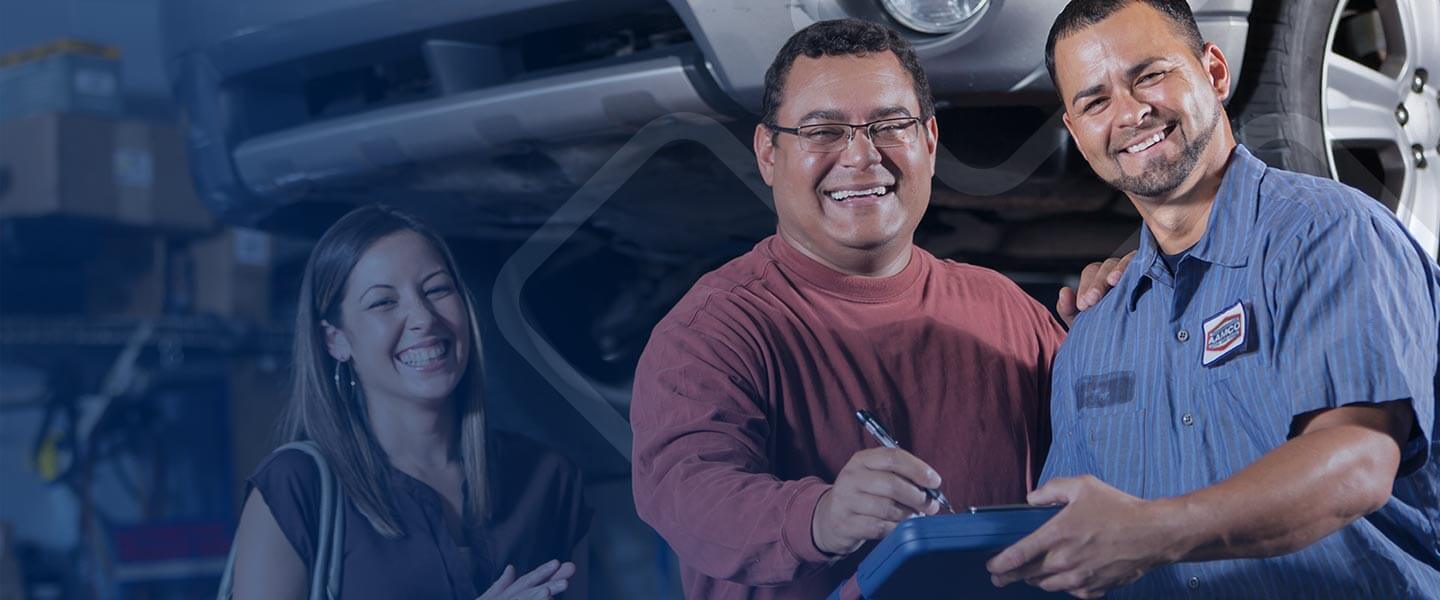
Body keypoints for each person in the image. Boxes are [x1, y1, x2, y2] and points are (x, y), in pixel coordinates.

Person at [987, 1, 1440, 597]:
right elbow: (1075, 542)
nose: (1128, 113)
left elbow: (1358, 461)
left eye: (1149, 75)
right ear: (1075, 132)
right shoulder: (1093, 336)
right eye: (1095, 101)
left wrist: (1154, 531)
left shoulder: (1328, 235)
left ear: (1216, 74)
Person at [629, 19, 1074, 599]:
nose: (862, 157)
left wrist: (1128, 314)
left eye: (890, 126)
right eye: (824, 131)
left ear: (930, 142)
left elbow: (1110, 457)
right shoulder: (712, 333)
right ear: (769, 153)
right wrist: (820, 516)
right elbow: (686, 491)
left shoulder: (1008, 311)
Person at [229, 206, 591, 600]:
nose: (423, 317)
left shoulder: (549, 480)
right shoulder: (296, 487)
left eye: (437, 289)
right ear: (335, 340)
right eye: (383, 302)